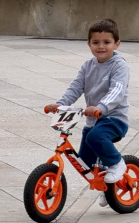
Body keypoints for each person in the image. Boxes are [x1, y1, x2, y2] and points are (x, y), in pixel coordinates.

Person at [44, 19, 131, 201]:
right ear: (89, 44)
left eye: (106, 42)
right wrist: (60, 104)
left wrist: (101, 107)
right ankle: (109, 187)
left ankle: (117, 164)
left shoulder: (119, 65)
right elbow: (75, 87)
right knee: (85, 160)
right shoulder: (88, 66)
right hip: (94, 120)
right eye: (96, 42)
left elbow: (117, 90)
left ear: (117, 44)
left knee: (95, 137)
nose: (101, 46)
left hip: (114, 119)